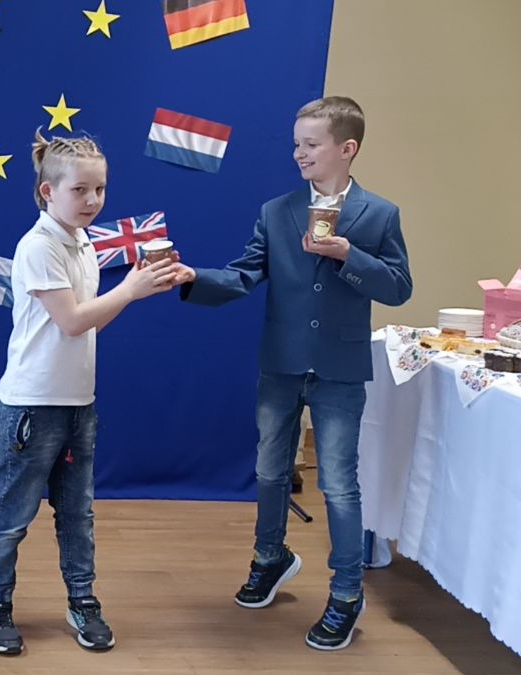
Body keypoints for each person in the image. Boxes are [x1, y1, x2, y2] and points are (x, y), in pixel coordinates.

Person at [176, 96, 412, 650]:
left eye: (310, 144)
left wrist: (349, 254)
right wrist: (192, 278)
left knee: (338, 484)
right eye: (296, 144)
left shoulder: (380, 215)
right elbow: (243, 274)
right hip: (281, 364)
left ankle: (347, 592)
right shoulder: (276, 211)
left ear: (347, 149)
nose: (298, 153)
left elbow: (399, 288)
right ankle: (270, 556)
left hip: (340, 370)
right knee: (269, 471)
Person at [0, 129, 182, 654]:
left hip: (77, 405)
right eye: (80, 190)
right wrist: (129, 289)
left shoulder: (84, 243)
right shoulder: (38, 246)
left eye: (100, 189)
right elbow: (70, 321)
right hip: (31, 406)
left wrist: (134, 289)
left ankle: (82, 600)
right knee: (12, 517)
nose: (92, 200)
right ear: (48, 192)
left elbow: (89, 323)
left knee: (78, 515)